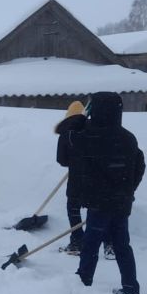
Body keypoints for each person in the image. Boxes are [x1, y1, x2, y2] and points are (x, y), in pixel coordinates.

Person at [65, 92, 146, 294]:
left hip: (99, 204)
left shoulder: (89, 135)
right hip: (121, 204)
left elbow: (67, 152)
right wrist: (129, 190)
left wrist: (76, 124)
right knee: (122, 246)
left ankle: (82, 284)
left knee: (91, 245)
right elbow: (140, 166)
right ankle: (130, 288)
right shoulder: (128, 138)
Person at [55, 100, 115, 259]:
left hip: (76, 180)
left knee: (73, 209)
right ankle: (109, 245)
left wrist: (73, 162)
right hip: (95, 180)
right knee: (98, 211)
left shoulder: (66, 133)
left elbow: (61, 160)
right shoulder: (94, 129)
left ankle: (77, 241)